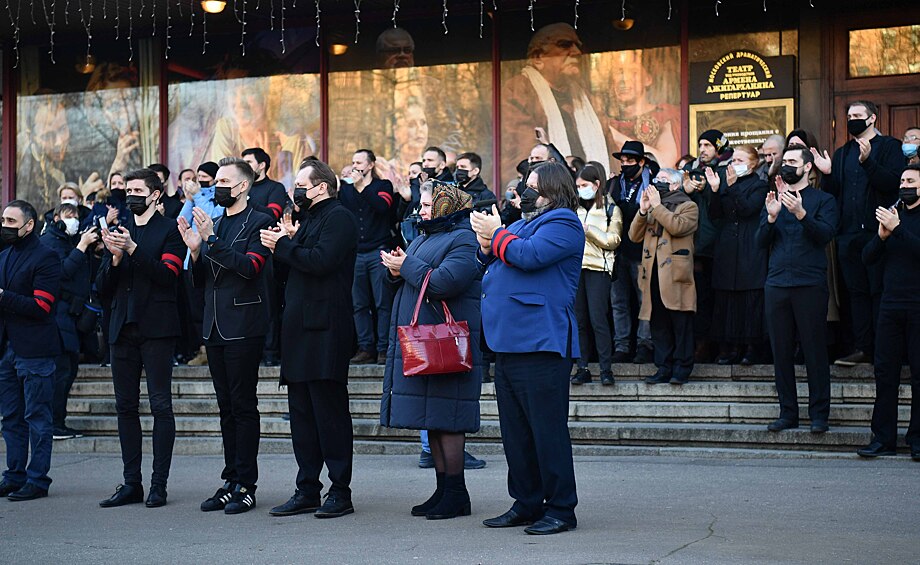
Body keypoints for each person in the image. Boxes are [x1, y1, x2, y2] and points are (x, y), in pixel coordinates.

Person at [471, 161, 583, 536]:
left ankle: (561, 509)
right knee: (516, 433)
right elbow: (499, 258)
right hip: (509, 343)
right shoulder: (520, 223)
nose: (525, 190)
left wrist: (497, 234)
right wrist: (486, 245)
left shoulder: (564, 221)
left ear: (552, 189)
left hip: (541, 341)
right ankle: (527, 502)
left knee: (546, 431)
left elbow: (530, 256)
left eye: (533, 185)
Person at [260, 158, 359, 519]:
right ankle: (307, 488)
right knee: (301, 415)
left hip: (327, 328)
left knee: (329, 413)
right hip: (298, 327)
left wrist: (284, 246)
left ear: (321, 186)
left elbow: (321, 261)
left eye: (301, 184)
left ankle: (340, 490)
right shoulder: (306, 220)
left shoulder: (340, 217)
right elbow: (291, 269)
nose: (295, 190)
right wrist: (280, 247)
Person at [379, 182, 482, 520]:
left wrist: (405, 265)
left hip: (445, 345)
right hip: (427, 342)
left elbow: (444, 282)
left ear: (445, 207)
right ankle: (443, 490)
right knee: (435, 420)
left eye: (426, 205)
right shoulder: (427, 235)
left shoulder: (463, 238)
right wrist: (396, 269)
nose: (420, 210)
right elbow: (416, 276)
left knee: (449, 420)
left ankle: (457, 493)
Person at [179, 157, 274, 514]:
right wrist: (194, 251)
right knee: (225, 408)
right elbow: (202, 281)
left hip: (244, 325)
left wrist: (211, 241)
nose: (215, 187)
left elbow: (250, 267)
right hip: (214, 325)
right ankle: (230, 478)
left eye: (222, 181)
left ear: (243, 186)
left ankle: (246, 483)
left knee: (243, 405)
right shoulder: (214, 222)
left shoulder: (260, 220)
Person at [96, 168, 185, 508]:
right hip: (122, 327)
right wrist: (115, 258)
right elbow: (102, 288)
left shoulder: (170, 231)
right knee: (125, 407)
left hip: (158, 329)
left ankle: (158, 485)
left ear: (155, 194)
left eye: (137, 190)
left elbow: (168, 276)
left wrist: (132, 250)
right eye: (127, 189)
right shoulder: (120, 230)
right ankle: (131, 482)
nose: (130, 194)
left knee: (160, 405)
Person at [756, 145, 838, 434]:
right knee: (781, 352)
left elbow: (825, 235)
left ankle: (819, 415)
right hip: (777, 283)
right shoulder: (773, 199)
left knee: (814, 351)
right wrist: (771, 217)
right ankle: (787, 413)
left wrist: (802, 214)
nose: (786, 165)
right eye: (784, 161)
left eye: (792, 161)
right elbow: (759, 243)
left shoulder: (823, 200)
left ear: (807, 168)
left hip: (809, 284)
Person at [820, 101, 903, 367]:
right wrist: (827, 173)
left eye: (858, 116)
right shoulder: (843, 152)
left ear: (872, 119)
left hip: (878, 234)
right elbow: (835, 193)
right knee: (855, 293)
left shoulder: (890, 147)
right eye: (849, 116)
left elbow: (892, 183)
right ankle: (862, 347)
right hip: (848, 235)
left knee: (879, 291)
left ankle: (884, 349)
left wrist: (868, 163)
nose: (852, 120)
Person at [0, 200, 62, 501]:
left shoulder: (46, 257)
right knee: (10, 417)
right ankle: (13, 475)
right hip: (7, 350)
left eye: (12, 222)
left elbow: (42, 306)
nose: (5, 226)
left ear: (29, 225)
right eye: (3, 220)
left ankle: (37, 479)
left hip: (35, 350)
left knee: (37, 417)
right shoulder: (4, 256)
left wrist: (2, 296)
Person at [858, 164, 920, 460]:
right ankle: (883, 438)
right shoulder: (893, 215)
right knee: (885, 374)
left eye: (911, 181)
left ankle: (917, 439)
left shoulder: (903, 222)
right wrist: (882, 236)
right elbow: (867, 258)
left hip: (918, 306)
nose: (904, 185)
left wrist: (898, 230)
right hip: (890, 305)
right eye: (903, 180)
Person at [501, 22, 609, 183]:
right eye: (565, 45)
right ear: (538, 58)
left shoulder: (586, 98)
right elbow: (520, 157)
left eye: (577, 46)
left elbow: (609, 145)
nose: (577, 52)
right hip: (550, 189)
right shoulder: (518, 90)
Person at [629, 168, 699, 385]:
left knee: (681, 323)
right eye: (656, 179)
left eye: (663, 180)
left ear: (675, 185)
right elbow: (634, 236)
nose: (657, 183)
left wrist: (657, 206)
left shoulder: (688, 206)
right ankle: (663, 367)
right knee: (658, 324)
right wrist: (642, 211)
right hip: (653, 275)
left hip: (676, 275)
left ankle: (682, 368)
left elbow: (677, 226)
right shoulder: (652, 208)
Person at [40, 203, 99, 440]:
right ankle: (53, 423)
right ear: (57, 218)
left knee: (69, 370)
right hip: (57, 318)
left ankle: (58, 421)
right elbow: (62, 272)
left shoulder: (68, 241)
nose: (74, 219)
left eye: (77, 215)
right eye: (69, 215)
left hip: (70, 317)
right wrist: (82, 246)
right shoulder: (50, 241)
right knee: (62, 371)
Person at [708, 145, 769, 365]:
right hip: (727, 247)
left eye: (740, 160)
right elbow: (715, 214)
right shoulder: (727, 183)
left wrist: (732, 188)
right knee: (727, 299)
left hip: (749, 247)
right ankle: (728, 348)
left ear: (752, 164)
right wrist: (715, 191)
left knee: (749, 299)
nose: (734, 164)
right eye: (733, 160)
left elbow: (748, 210)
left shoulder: (760, 185)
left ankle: (751, 348)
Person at [340, 149, 396, 365]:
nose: (355, 166)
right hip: (355, 252)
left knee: (383, 302)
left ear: (371, 165)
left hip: (378, 251)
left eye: (359, 162)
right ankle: (365, 348)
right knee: (359, 304)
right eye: (353, 162)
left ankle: (383, 348)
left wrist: (361, 186)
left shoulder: (383, 187)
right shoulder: (345, 190)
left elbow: (383, 207)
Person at [682, 129, 732, 363]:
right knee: (700, 300)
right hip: (698, 246)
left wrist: (712, 190)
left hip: (722, 246)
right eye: (700, 144)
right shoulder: (694, 172)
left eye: (708, 145)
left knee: (721, 300)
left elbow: (724, 208)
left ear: (719, 148)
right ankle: (701, 345)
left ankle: (723, 346)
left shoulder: (728, 171)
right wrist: (686, 190)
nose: (702, 149)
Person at [571, 162, 621, 385]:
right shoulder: (574, 208)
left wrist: (589, 231)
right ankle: (582, 367)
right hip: (575, 269)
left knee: (598, 319)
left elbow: (614, 241)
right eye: (578, 185)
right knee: (579, 320)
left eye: (584, 185)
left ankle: (605, 369)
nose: (580, 189)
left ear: (597, 184)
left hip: (599, 269)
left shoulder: (611, 209)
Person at [609, 141, 657, 363]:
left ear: (642, 162)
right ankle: (621, 346)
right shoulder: (613, 185)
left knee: (643, 302)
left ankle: (645, 345)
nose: (625, 165)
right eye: (623, 161)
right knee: (619, 303)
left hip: (643, 253)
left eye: (630, 161)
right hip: (618, 253)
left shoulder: (653, 184)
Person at [242, 147, 288, 367]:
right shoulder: (239, 189)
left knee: (268, 304)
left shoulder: (275, 188)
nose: (245, 166)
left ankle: (270, 352)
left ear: (261, 165)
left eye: (249, 162)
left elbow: (272, 215)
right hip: (241, 256)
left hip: (267, 253)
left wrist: (246, 199)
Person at [178, 161, 224, 367]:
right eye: (198, 176)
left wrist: (197, 196)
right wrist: (189, 200)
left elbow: (211, 219)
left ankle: (214, 347)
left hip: (214, 260)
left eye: (204, 176)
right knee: (196, 308)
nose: (200, 180)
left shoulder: (221, 195)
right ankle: (202, 349)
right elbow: (182, 220)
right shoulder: (196, 196)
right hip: (193, 260)